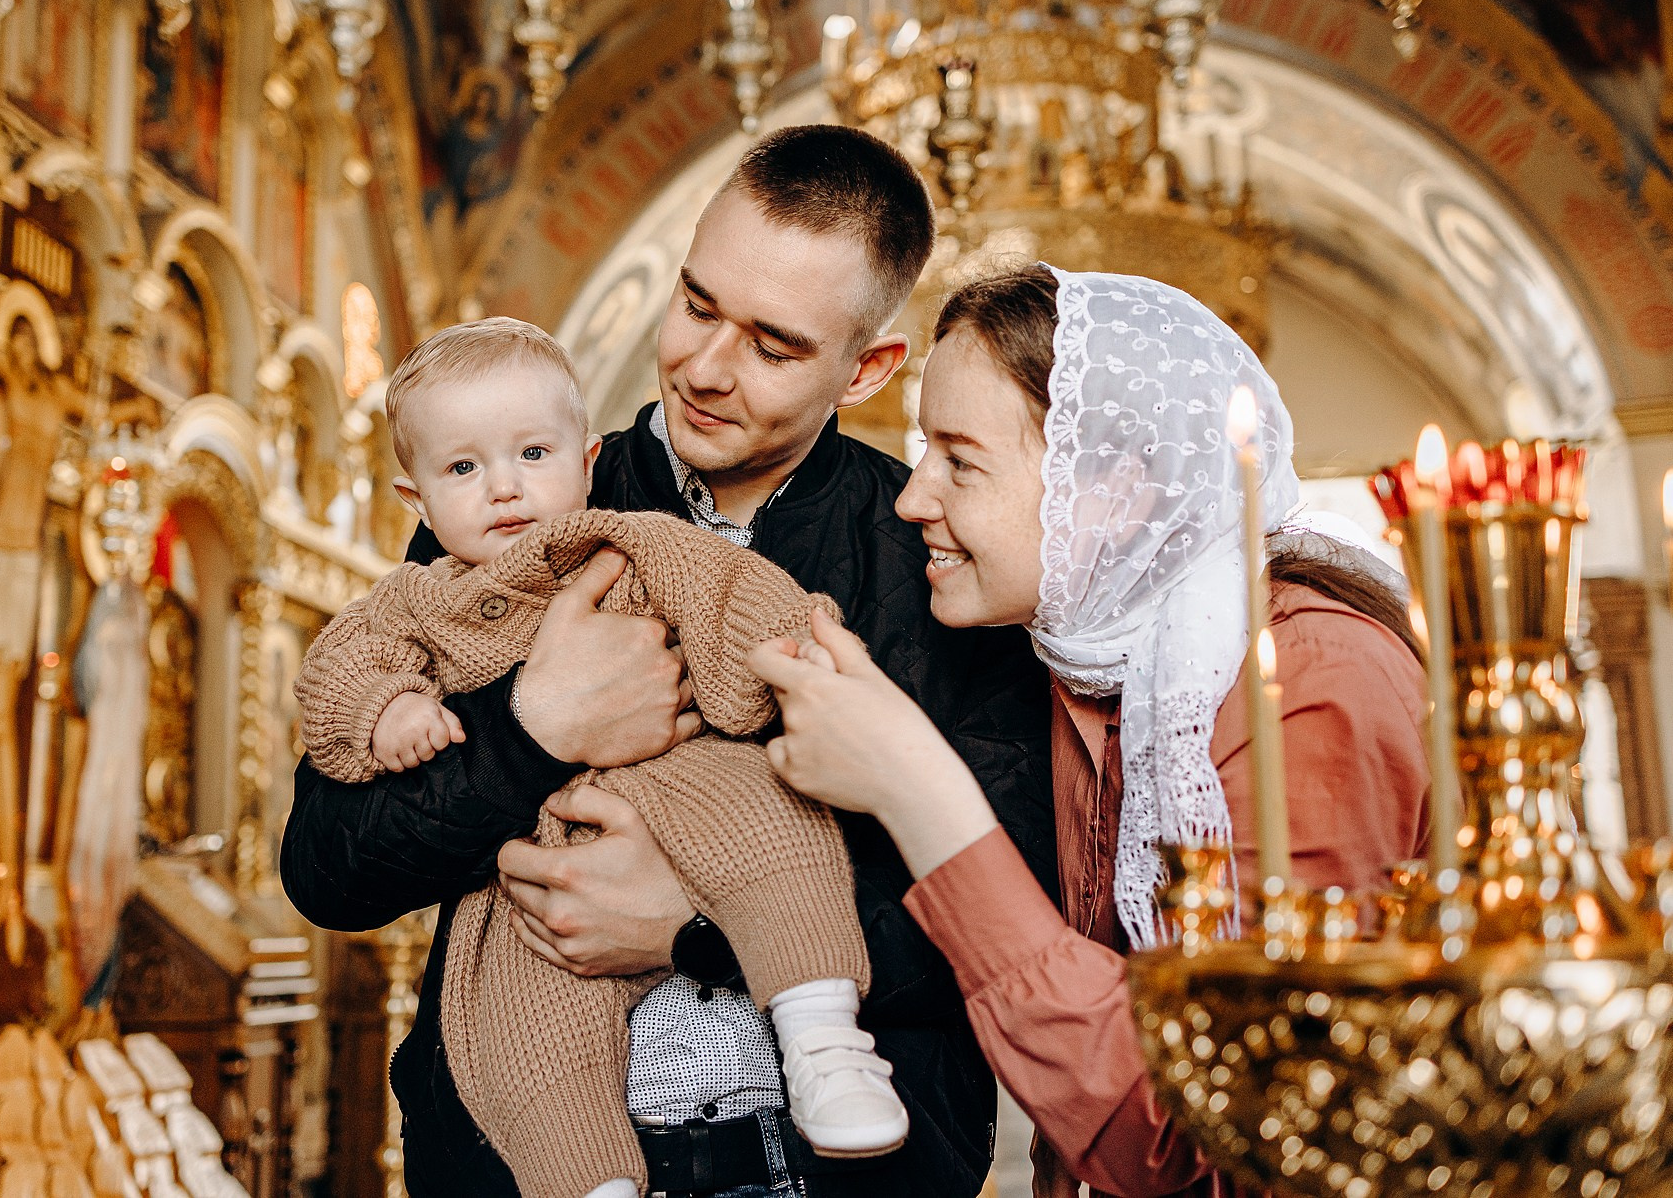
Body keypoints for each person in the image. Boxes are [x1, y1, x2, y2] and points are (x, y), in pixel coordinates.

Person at [279, 125, 1059, 1198]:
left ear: (867, 369)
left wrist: (690, 931)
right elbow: (327, 866)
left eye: (773, 348)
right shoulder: (519, 502)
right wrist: (532, 731)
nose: (705, 368)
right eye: (697, 305)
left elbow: (1012, 907)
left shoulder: (935, 553)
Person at [749, 264, 1433, 1198]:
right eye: (921, 452)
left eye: (960, 460)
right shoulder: (1080, 659)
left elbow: (1199, 1128)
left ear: (1111, 489)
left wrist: (914, 786)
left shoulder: (1313, 678)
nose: (913, 501)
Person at [296, 319, 907, 1198]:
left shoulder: (632, 540)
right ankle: (586, 1181)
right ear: (417, 498)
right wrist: (384, 710)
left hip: (689, 776)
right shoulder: (417, 598)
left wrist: (783, 659)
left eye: (532, 454)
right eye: (462, 468)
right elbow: (339, 670)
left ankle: (823, 1037)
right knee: (523, 1029)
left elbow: (730, 592)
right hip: (536, 867)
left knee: (778, 828)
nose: (504, 487)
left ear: (588, 462)